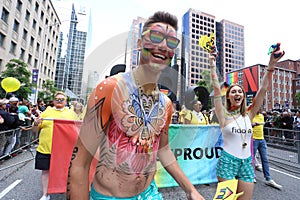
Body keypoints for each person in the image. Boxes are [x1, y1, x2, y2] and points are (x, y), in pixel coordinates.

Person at [67, 11, 205, 200]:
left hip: (150, 194)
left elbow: (164, 151)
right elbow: (79, 164)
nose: (164, 46)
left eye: (171, 42)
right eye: (156, 37)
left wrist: (190, 189)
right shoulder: (110, 89)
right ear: (139, 44)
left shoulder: (166, 103)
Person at [209, 47, 284, 200]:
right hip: (227, 162)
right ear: (228, 97)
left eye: (240, 92)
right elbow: (217, 90)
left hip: (247, 163)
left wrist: (271, 65)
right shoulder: (223, 115)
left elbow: (262, 90)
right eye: (233, 91)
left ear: (243, 97)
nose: (237, 93)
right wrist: (212, 64)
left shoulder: (249, 115)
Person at [33, 92, 76, 200]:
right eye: (57, 99)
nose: (59, 101)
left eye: (62, 99)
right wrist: (35, 124)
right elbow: (34, 131)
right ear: (54, 100)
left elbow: (76, 130)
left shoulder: (71, 113)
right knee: (45, 171)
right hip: (45, 148)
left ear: (65, 101)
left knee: (66, 171)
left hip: (64, 150)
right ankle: (45, 194)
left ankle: (64, 191)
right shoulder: (46, 113)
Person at [252, 108, 282, 189]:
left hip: (262, 139)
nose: (258, 109)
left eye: (259, 107)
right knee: (252, 159)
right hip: (253, 139)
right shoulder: (250, 116)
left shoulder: (261, 116)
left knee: (265, 159)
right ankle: (252, 176)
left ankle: (268, 178)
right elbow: (245, 126)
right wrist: (253, 125)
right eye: (256, 107)